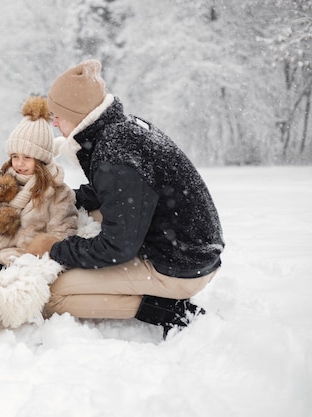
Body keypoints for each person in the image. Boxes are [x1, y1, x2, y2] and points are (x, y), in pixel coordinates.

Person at [43, 59, 225, 338]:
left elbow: (117, 247)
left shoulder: (113, 155)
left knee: (54, 294)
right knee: (92, 218)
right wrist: (58, 200)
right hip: (191, 249)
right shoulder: (119, 130)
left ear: (78, 114)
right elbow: (115, 193)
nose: (53, 122)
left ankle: (168, 309)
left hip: (179, 266)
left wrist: (56, 249)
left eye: (58, 114)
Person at [0, 96, 79, 313]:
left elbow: (63, 233)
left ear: (41, 160)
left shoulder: (59, 193)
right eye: (15, 156)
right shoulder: (6, 185)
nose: (19, 163)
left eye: (27, 157)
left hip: (19, 256)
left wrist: (34, 248)